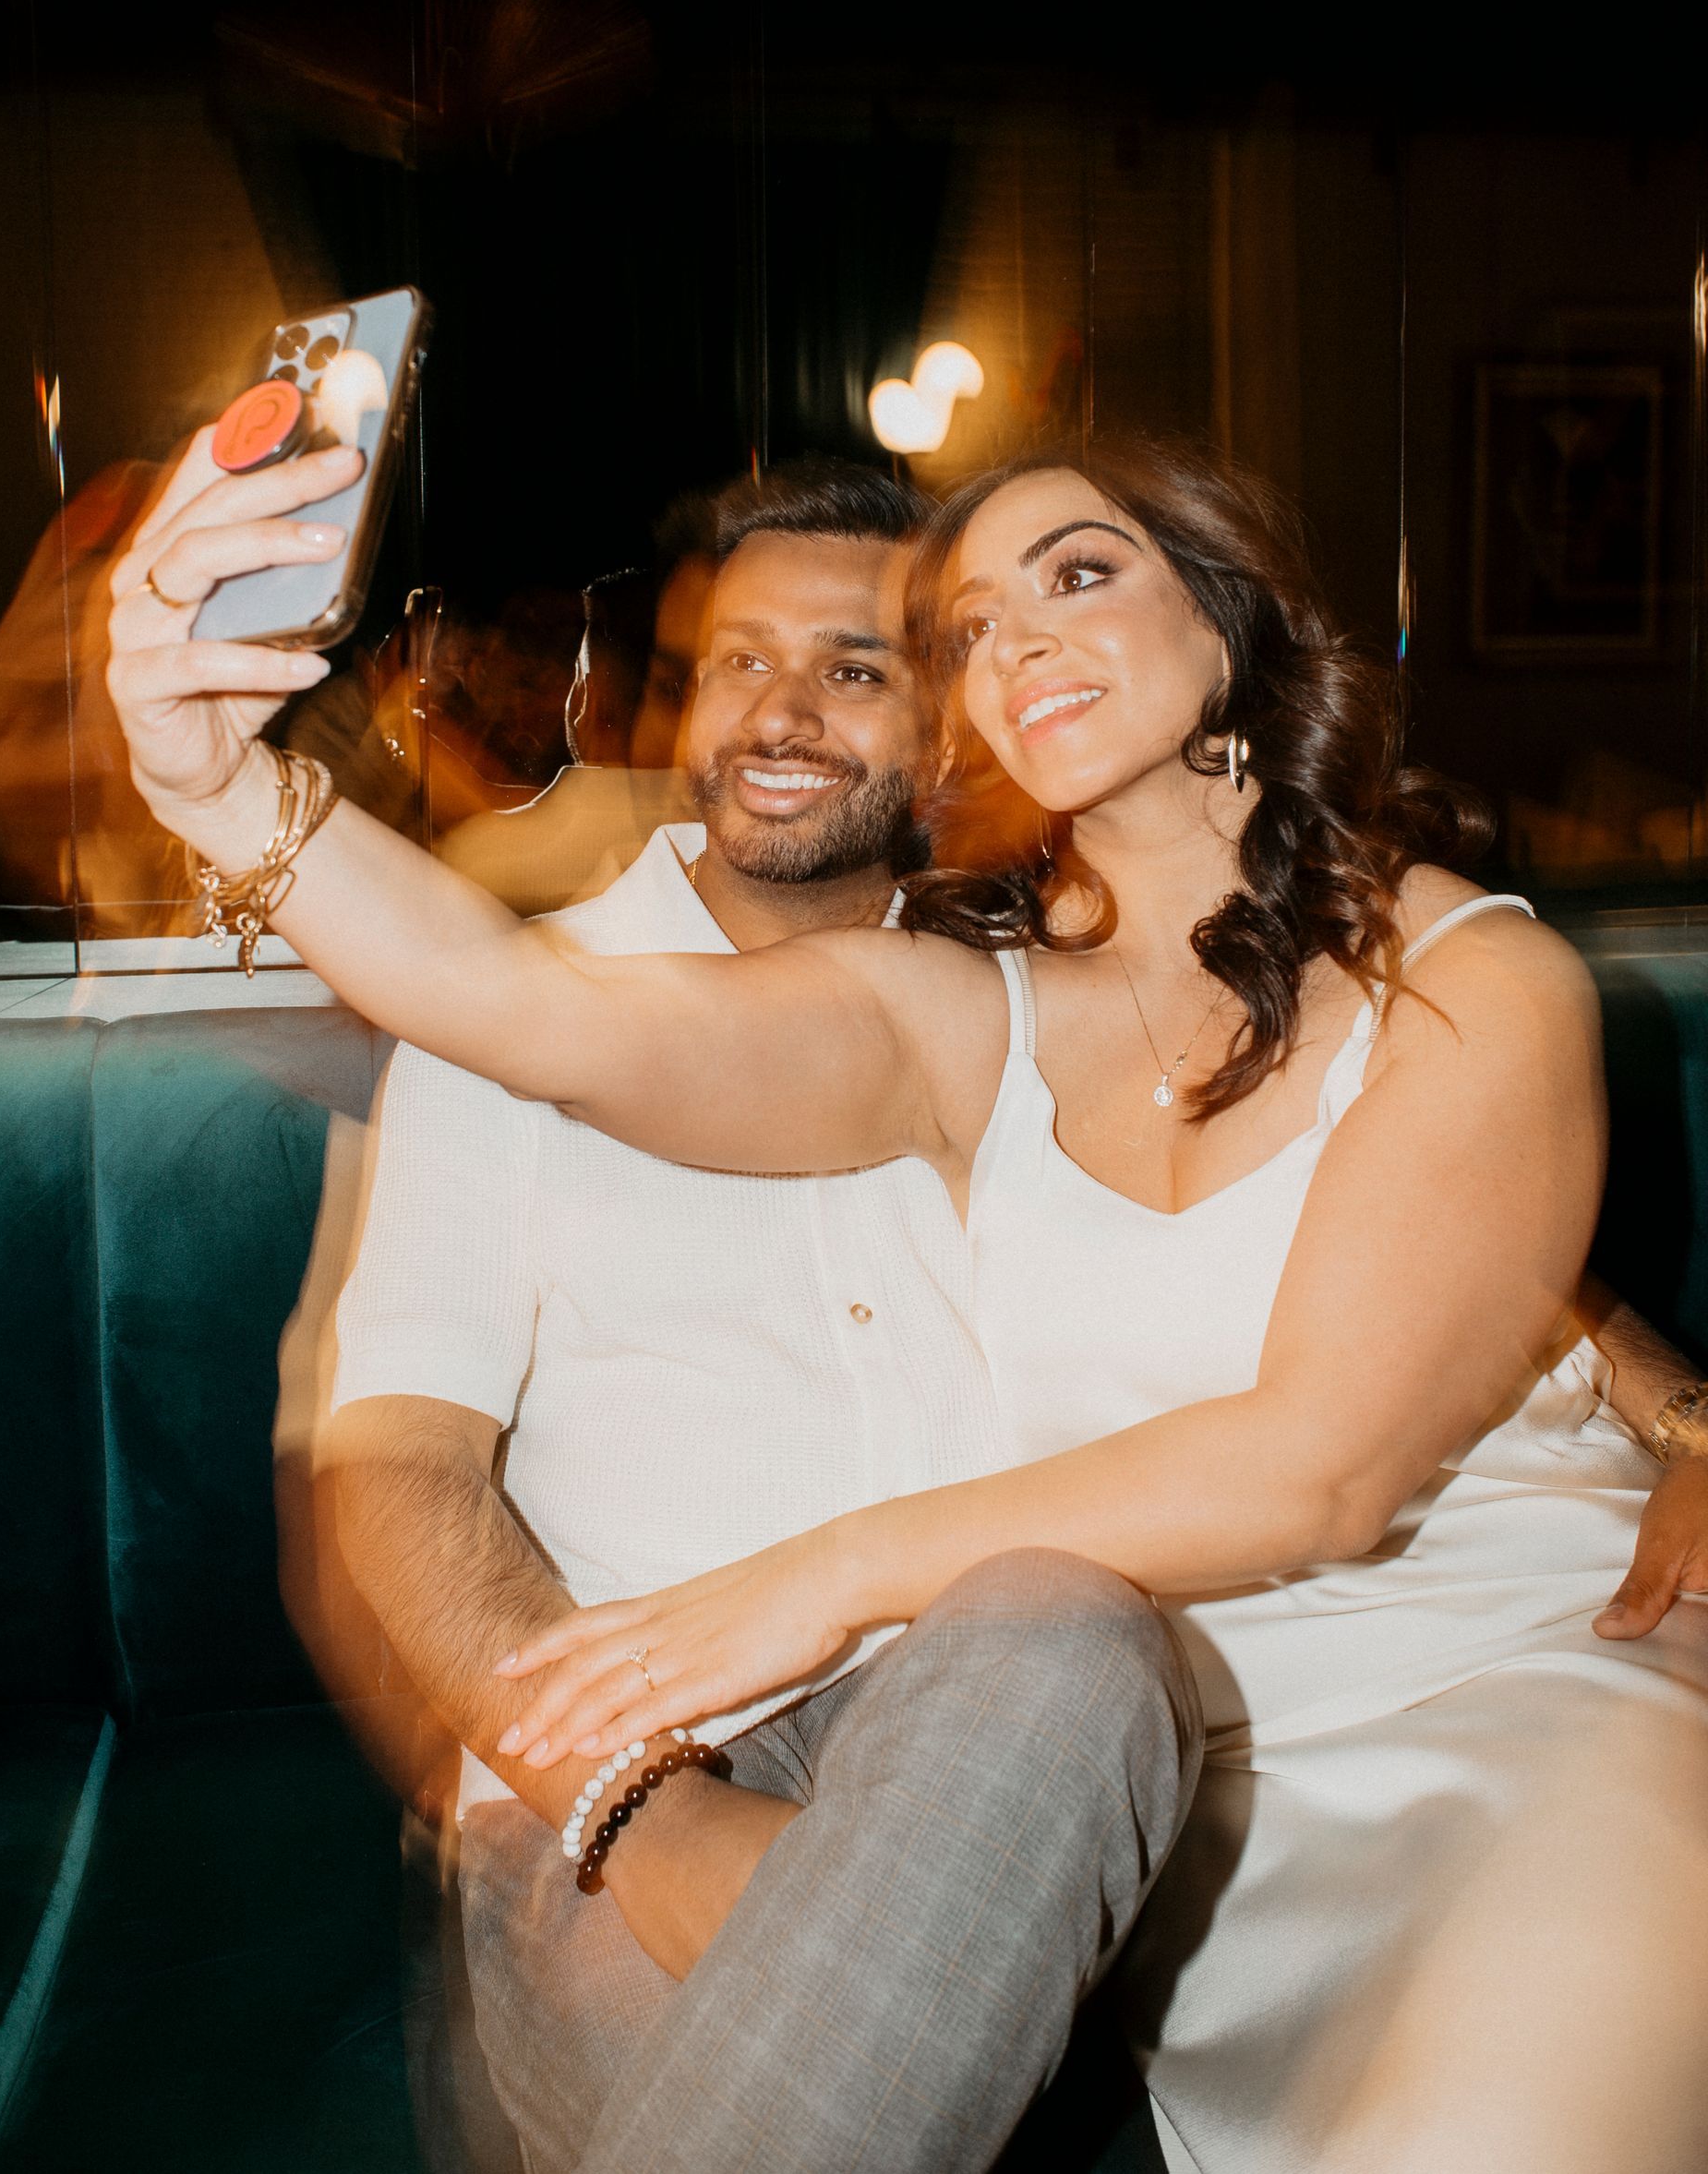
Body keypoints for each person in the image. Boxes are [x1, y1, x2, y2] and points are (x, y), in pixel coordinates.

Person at [107, 426, 1708, 2173]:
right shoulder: (961, 1017)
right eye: (974, 626)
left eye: (1075, 576)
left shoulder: (1448, 976)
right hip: (1052, 1772)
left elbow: (1365, 1382)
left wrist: (1678, 1402)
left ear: (1225, 613)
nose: (1019, 643)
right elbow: (537, 1023)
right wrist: (213, 784)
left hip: (1455, 1697)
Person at [305, 457, 1198, 2174]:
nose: (780, 712)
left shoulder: (1050, 1005)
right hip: (624, 1743)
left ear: (947, 729)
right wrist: (638, 1805)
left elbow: (1353, 1183)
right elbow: (400, 1467)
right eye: (740, 661)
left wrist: (1672, 1399)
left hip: (992, 1732)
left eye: (853, 669)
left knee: (1074, 1630)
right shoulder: (511, 1008)